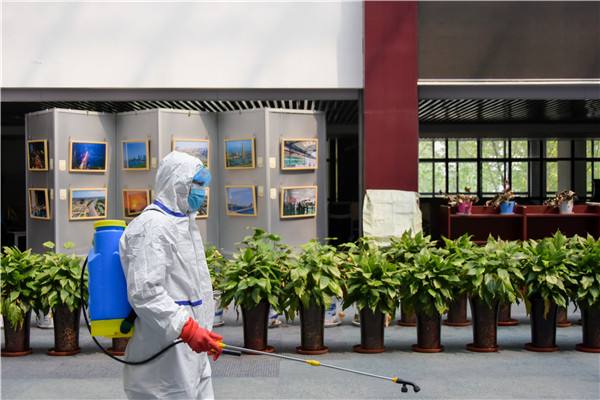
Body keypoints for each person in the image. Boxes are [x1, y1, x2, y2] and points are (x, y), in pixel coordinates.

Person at [119, 151, 222, 399]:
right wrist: (187, 328)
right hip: (163, 354)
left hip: (187, 351)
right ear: (177, 182)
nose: (201, 191)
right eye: (196, 184)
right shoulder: (152, 226)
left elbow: (192, 288)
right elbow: (145, 292)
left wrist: (202, 331)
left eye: (203, 185)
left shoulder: (183, 223)